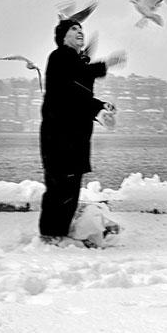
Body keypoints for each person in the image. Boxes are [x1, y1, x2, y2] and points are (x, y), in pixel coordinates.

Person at [38, 17, 126, 244]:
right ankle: (51, 235)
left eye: (81, 28)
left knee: (70, 187)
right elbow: (77, 79)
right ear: (63, 37)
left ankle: (59, 232)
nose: (80, 31)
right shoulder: (60, 57)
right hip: (59, 137)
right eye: (74, 28)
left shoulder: (75, 64)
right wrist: (106, 64)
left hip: (74, 137)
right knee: (60, 187)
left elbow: (79, 97)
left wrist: (101, 107)